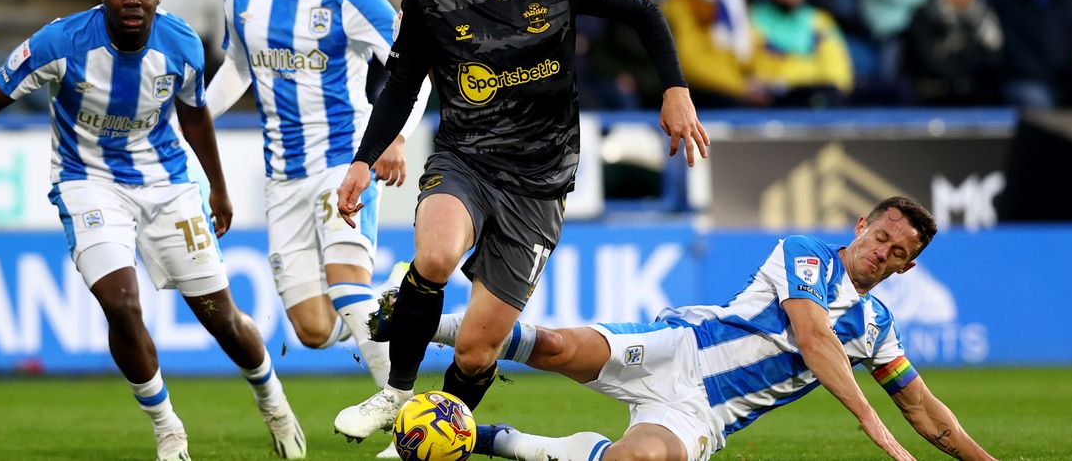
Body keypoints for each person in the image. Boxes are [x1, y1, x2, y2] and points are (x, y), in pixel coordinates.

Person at [332, 0, 709, 441]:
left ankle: (433, 434)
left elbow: (646, 14)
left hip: (539, 184)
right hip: (465, 161)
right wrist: (365, 158)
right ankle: (396, 395)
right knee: (433, 258)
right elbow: (403, 83)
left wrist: (675, 89)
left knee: (479, 350)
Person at [0, 0, 306, 460]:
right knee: (120, 303)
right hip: (86, 181)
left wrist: (219, 186)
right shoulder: (59, 43)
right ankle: (169, 431)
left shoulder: (182, 44)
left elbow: (193, 116)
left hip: (167, 186)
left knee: (219, 316)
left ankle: (272, 400)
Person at [425, 197, 997, 461]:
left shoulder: (877, 329)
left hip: (704, 416)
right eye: (880, 238)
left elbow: (924, 410)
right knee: (552, 345)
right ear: (862, 225)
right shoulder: (806, 256)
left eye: (896, 252)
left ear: (906, 267)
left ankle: (494, 439)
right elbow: (814, 337)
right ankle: (423, 322)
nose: (882, 253)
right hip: (681, 351)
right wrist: (872, 423)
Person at [205, 0, 429, 456]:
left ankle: (406, 421)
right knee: (311, 331)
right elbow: (235, 70)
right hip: (282, 181)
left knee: (346, 286)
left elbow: (414, 67)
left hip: (343, 164)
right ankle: (390, 310)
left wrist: (393, 137)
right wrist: (191, 121)